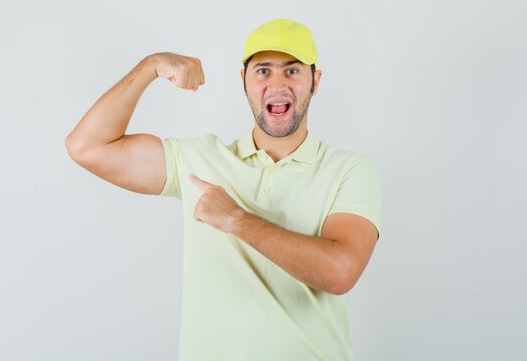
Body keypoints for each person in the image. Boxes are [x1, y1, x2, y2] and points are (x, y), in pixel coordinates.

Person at [65, 18, 382, 361]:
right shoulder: (200, 159)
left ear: (315, 81)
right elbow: (87, 146)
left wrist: (236, 219)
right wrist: (150, 66)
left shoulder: (349, 169)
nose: (277, 85)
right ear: (243, 81)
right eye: (262, 71)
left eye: (292, 71)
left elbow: (339, 272)